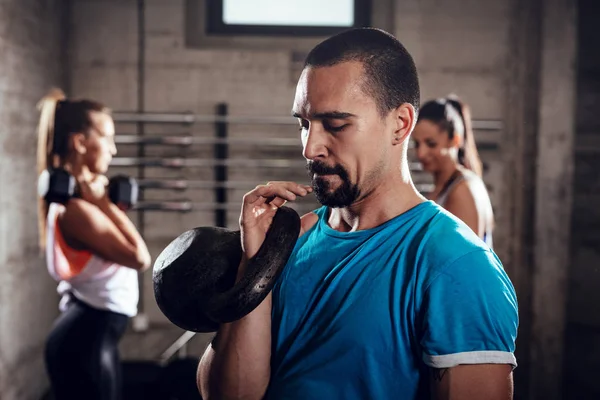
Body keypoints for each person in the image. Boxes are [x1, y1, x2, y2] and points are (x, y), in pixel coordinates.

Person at [197, 28, 518, 400]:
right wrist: (255, 266)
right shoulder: (289, 243)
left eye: (335, 125)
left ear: (400, 124)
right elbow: (230, 395)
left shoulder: (458, 264)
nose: (310, 147)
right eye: (304, 124)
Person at [37, 89, 151, 400]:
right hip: (84, 340)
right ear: (80, 142)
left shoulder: (79, 205)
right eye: (107, 137)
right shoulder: (78, 210)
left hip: (94, 335)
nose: (113, 150)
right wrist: (103, 202)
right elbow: (140, 258)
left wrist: (102, 202)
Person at [412, 96, 495, 247]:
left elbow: (466, 262)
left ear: (455, 140)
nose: (421, 153)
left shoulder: (463, 190)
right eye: (417, 144)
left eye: (431, 144)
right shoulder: (445, 187)